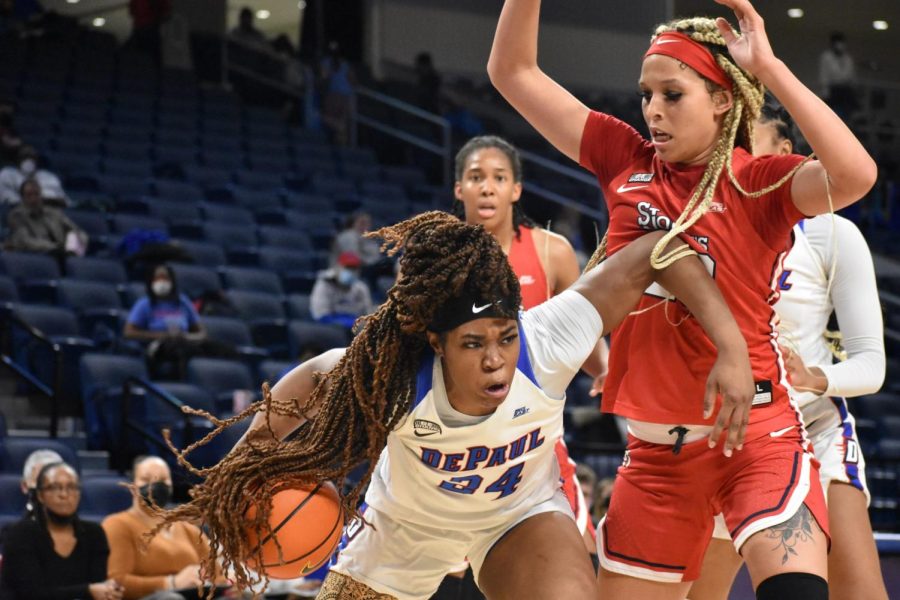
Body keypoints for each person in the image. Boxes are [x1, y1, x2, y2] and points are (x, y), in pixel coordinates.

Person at [149, 211, 753, 599]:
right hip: (404, 527)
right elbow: (310, 375)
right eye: (473, 343)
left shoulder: (548, 339)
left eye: (504, 336)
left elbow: (657, 248)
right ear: (435, 343)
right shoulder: (392, 375)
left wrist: (731, 347)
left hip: (516, 515)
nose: (495, 359)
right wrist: (252, 454)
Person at [488, 0, 876, 598]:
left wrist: (769, 68)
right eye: (646, 95)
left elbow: (855, 175)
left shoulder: (757, 179)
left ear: (723, 100)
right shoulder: (625, 160)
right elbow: (513, 72)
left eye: (673, 95)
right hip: (655, 459)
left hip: (757, 439)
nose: (652, 111)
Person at [689, 104, 888, 600]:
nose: (731, 157)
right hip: (723, 432)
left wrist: (815, 378)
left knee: (860, 591)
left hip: (811, 425)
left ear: (785, 155)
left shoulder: (832, 234)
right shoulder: (691, 223)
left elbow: (871, 364)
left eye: (746, 142)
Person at [451, 135, 608, 550]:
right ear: (459, 189)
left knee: (581, 556)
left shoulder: (550, 252)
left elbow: (582, 333)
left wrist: (608, 372)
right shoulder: (435, 258)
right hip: (456, 445)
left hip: (532, 440)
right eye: (475, 177)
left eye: (499, 178)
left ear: (515, 189)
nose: (487, 187)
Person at [103, 456, 226, 600]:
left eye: (163, 480)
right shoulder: (117, 524)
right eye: (146, 479)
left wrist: (228, 589)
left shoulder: (189, 529)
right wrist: (171, 583)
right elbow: (118, 581)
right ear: (132, 486)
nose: (155, 485)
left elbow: (217, 576)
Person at [0, 462, 124, 600]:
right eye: (54, 488)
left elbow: (97, 585)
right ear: (40, 495)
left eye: (71, 487)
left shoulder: (94, 534)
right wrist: (88, 591)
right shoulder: (20, 534)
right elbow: (31, 594)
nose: (64, 494)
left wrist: (109, 591)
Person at [124, 264, 236, 379]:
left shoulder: (182, 301)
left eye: (165, 278)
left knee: (224, 350)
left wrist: (187, 337)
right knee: (181, 350)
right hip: (159, 345)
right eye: (157, 278)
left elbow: (201, 333)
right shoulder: (144, 303)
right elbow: (129, 332)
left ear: (172, 280)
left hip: (185, 340)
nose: (162, 282)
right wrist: (163, 335)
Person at [5, 178, 86, 256]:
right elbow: (25, 241)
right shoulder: (17, 215)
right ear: (22, 198)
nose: (33, 199)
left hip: (63, 254)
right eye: (29, 195)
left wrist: (72, 249)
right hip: (38, 256)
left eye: (36, 194)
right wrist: (55, 247)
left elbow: (77, 231)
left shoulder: (54, 213)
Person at [309, 250, 374, 330]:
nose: (351, 272)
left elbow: (368, 314)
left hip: (355, 330)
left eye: (354, 269)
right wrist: (347, 323)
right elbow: (320, 315)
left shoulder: (361, 288)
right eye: (348, 268)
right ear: (338, 267)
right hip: (330, 328)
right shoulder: (324, 284)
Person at [0, 145, 69, 207]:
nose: (28, 161)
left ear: (37, 160)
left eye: (32, 157)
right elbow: (9, 199)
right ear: (17, 159)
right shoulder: (7, 174)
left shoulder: (49, 177)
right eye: (25, 157)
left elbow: (61, 200)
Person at [319, 41, 355, 146]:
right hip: (344, 96)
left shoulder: (327, 62)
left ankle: (341, 142)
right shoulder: (345, 64)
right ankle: (340, 139)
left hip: (336, 96)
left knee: (330, 120)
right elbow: (353, 81)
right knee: (341, 123)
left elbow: (324, 78)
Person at [818, 32, 857, 119]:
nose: (840, 46)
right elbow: (824, 75)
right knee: (830, 115)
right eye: (838, 43)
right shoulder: (826, 57)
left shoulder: (848, 58)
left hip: (845, 90)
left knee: (844, 116)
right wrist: (825, 91)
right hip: (832, 90)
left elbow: (849, 75)